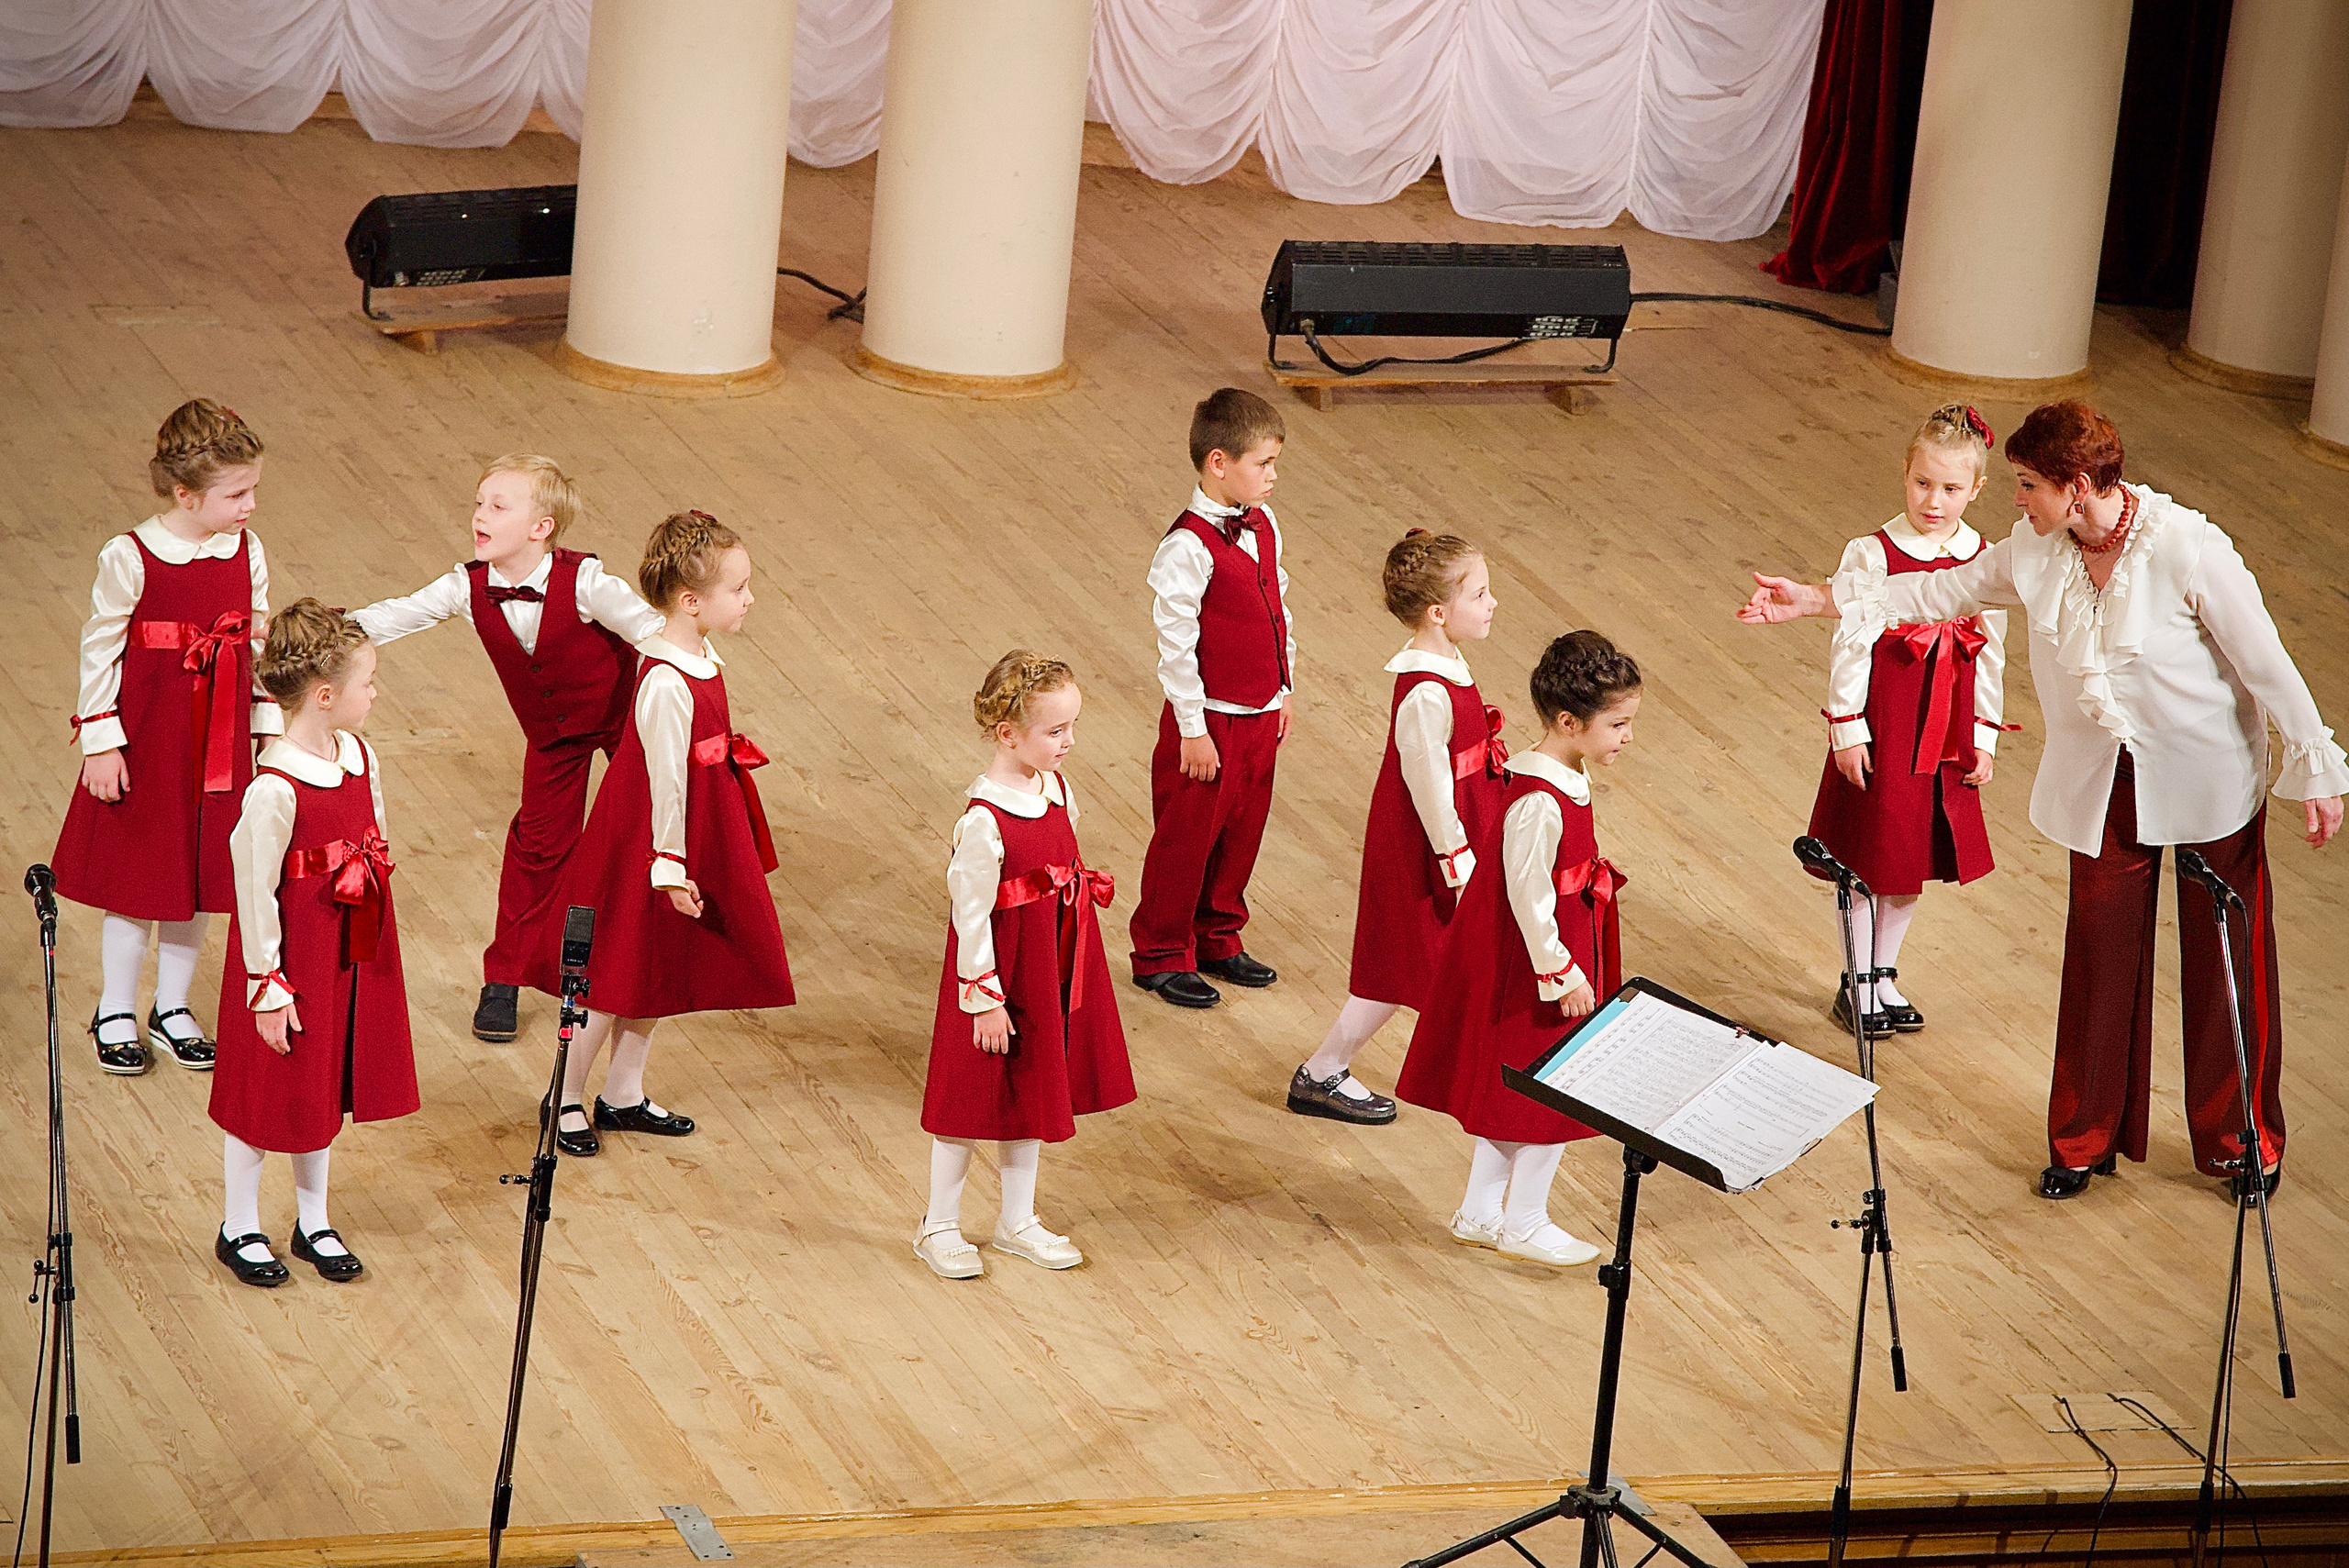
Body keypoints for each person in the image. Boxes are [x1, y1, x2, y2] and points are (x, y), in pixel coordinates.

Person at [1742, 401, 2345, 1200]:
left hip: (2206, 774)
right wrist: (1819, 600)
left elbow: (2266, 663)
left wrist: (2319, 762)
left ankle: (2245, 1141)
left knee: (2227, 957)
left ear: (2079, 486)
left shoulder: (2188, 548)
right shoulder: (2036, 546)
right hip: (2104, 779)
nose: (2015, 500)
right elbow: (1942, 591)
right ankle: (2084, 1135)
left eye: (2027, 484)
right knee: (2097, 954)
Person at [353, 455, 664, 1044]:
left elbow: (649, 630)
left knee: (652, 827)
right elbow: (394, 616)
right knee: (537, 848)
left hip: (625, 719)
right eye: (479, 503)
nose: (479, 515)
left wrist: (686, 682)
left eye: (498, 506)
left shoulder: (588, 583)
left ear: (541, 527)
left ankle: (663, 943)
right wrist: (321, 629)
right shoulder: (465, 586)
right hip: (553, 734)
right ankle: (507, 977)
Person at [538, 510, 794, 1155]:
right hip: (647, 845)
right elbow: (665, 784)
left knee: (656, 968)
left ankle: (622, 1091)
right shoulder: (665, 683)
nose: (750, 598)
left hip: (682, 837)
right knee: (608, 974)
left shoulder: (701, 655)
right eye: (738, 588)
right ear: (691, 601)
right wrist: (670, 866)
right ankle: (561, 1096)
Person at [1396, 631, 1640, 1268]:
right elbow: (1529, 893)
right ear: (1569, 721)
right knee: (1548, 1093)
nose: (1626, 736)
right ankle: (1524, 1219)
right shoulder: (1538, 800)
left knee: (1526, 1091)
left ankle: (1482, 1209)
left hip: (1554, 951)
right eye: (1617, 724)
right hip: (1541, 969)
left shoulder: (1563, 775)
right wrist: (1560, 972)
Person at [53, 399, 278, 1076]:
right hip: (151, 742)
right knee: (140, 881)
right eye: (236, 493)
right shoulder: (131, 555)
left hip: (221, 743)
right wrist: (100, 739)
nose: (250, 505)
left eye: (253, 490)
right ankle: (117, 1004)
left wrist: (265, 730)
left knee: (205, 874)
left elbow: (256, 642)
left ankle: (171, 1005)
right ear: (185, 493)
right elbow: (101, 647)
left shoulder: (248, 548)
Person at [208, 602, 417, 1285]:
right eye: (369, 681)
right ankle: (240, 1222)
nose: (376, 691)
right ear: (325, 697)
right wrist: (265, 982)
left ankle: (313, 1217)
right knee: (263, 1089)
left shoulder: (356, 755)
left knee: (321, 1079)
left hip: (342, 948)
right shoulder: (274, 788)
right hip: (288, 958)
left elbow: (374, 834)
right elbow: (253, 888)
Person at [916, 652, 1134, 1278]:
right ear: (1008, 734)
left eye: (1071, 727)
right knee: (967, 1098)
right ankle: (939, 1222)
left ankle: (1017, 1218)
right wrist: (983, 996)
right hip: (996, 974)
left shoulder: (1056, 788)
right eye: (1055, 731)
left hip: (1046, 964)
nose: (1069, 742)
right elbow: (971, 912)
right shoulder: (984, 820)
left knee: (1034, 1087)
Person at [1289, 530, 1506, 1125]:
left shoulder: (1446, 665)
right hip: (1423, 848)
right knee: (1404, 968)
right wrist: (1458, 862)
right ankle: (1323, 1071)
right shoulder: (1425, 692)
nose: (1492, 603)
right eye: (1480, 593)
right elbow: (1431, 787)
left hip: (1446, 838)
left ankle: (1327, 1070)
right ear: (1439, 613)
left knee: (1414, 967)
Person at [1807, 405, 2010, 1037]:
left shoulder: (1983, 557)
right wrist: (1848, 727)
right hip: (1889, 723)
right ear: (1905, 473)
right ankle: (1856, 978)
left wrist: (1982, 736)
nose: (1934, 500)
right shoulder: (1873, 553)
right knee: (1876, 855)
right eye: (1923, 483)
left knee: (1912, 858)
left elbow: (1993, 652)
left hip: (1946, 729)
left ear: (1976, 489)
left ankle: (1883, 971)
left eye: (1951, 488)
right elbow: (1851, 642)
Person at [1128, 388, 1297, 1009]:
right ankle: (1160, 950)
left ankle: (1217, 933)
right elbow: (1177, 646)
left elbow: (1277, 607)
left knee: (1242, 831)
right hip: (1210, 722)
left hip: (1258, 714)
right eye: (1263, 463)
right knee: (1187, 837)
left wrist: (1284, 687)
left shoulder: (1264, 523)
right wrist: (1192, 728)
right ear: (1219, 463)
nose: (1273, 475)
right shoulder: (1188, 546)